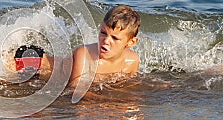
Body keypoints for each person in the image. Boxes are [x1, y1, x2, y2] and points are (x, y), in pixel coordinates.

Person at [13, 5, 141, 87]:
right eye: (103, 33)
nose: (106, 40)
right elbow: (74, 89)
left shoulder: (131, 61)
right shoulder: (84, 54)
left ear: (131, 42)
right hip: (32, 63)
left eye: (114, 38)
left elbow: (122, 87)